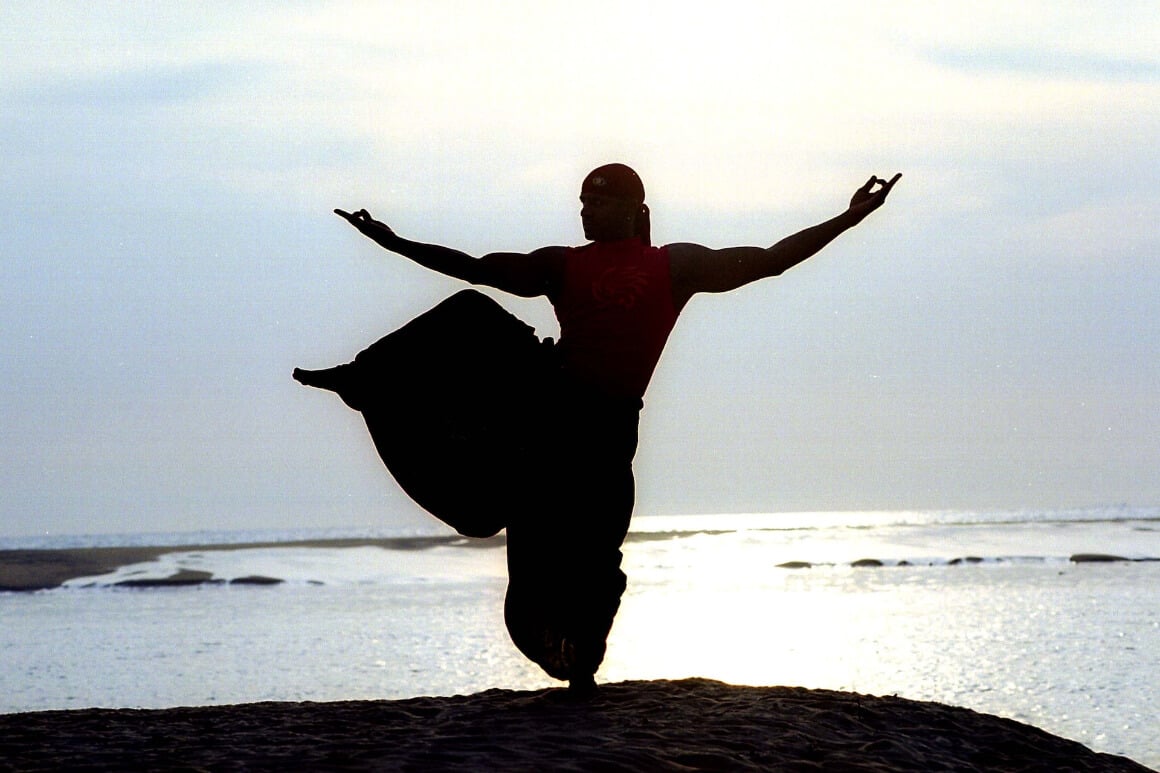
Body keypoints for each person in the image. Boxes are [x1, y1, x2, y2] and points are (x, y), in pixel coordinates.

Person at [314, 163, 900, 694]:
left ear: (632, 209)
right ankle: (365, 377)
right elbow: (476, 267)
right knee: (471, 309)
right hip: (549, 411)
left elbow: (770, 259)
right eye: (581, 204)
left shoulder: (675, 266)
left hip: (611, 431)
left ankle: (579, 664)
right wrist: (390, 241)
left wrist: (848, 218)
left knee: (600, 564)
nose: (585, 213)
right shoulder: (563, 264)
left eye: (596, 204)